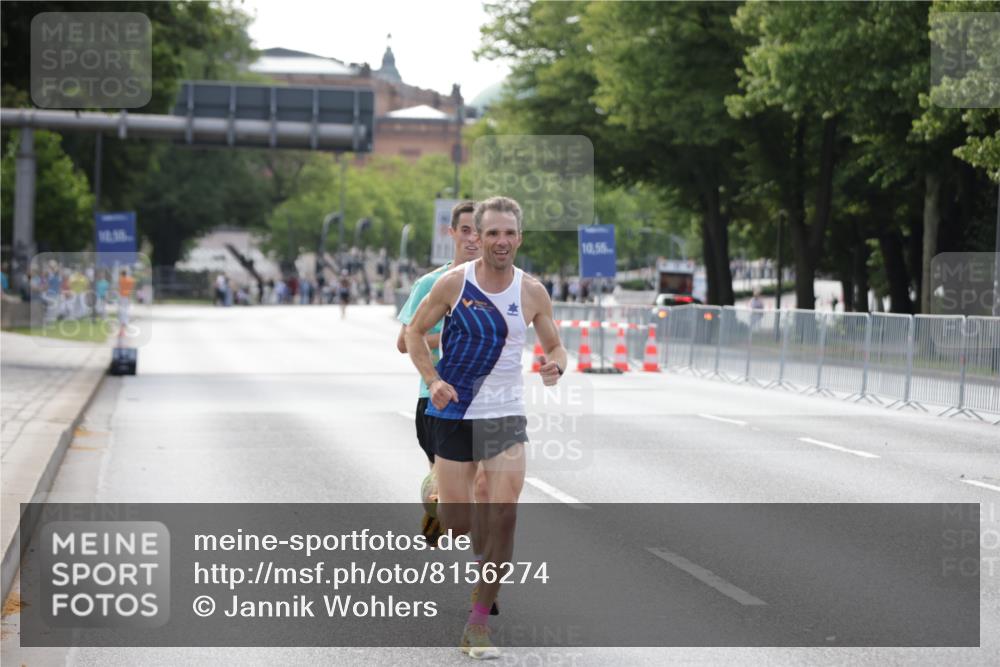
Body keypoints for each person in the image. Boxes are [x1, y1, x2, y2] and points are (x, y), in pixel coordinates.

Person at [405, 196, 567, 659]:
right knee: (458, 525)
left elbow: (556, 346)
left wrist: (556, 366)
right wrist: (433, 380)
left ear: (519, 238)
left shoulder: (532, 291)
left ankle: (477, 625)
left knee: (503, 514)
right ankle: (436, 495)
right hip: (455, 411)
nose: (500, 241)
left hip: (505, 414)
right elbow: (413, 334)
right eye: (492, 232)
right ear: (478, 236)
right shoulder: (454, 283)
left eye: (508, 233)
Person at [396, 201, 482, 546]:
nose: (473, 238)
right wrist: (452, 333)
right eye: (466, 230)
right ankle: (436, 509)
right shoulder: (431, 283)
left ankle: (453, 517)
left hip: (484, 398)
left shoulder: (498, 285)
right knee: (446, 477)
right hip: (437, 396)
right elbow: (404, 341)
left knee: (476, 479)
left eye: (480, 231)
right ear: (452, 233)